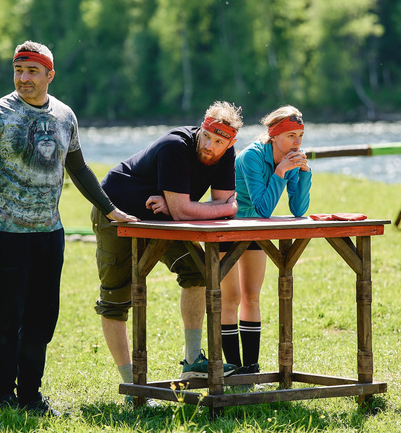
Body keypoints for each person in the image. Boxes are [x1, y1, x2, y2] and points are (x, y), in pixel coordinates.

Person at [0, 40, 137, 415]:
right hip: (5, 235)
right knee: (7, 320)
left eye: (31, 71)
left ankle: (30, 394)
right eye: (18, 70)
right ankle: (5, 397)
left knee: (42, 320)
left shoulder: (64, 116)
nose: (23, 78)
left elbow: (78, 168)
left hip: (49, 234)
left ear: (49, 74)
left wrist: (111, 210)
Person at [91, 101, 244, 400]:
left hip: (159, 220)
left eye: (219, 142)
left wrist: (191, 209)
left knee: (198, 274)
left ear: (229, 143)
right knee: (115, 300)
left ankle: (192, 362)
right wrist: (217, 207)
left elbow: (201, 211)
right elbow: (197, 210)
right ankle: (134, 387)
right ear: (201, 127)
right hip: (116, 212)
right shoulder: (176, 146)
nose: (210, 147)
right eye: (208, 137)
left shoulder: (226, 155)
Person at [219, 106, 312, 375]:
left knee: (252, 296)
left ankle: (250, 369)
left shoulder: (290, 159)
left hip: (255, 231)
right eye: (292, 136)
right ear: (274, 136)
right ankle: (232, 368)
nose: (298, 142)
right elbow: (262, 208)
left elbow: (298, 210)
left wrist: (304, 173)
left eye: (301, 136)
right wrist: (281, 172)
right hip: (229, 225)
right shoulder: (252, 157)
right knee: (231, 298)